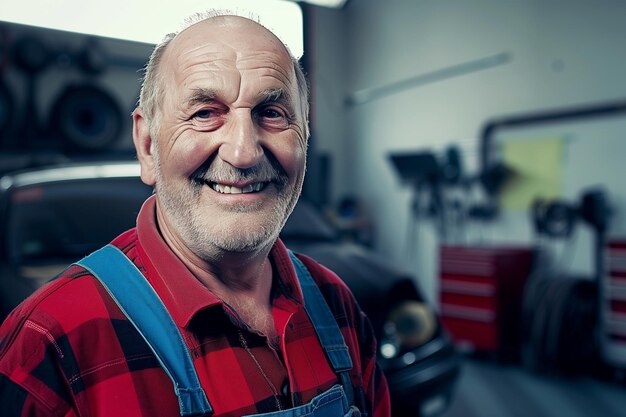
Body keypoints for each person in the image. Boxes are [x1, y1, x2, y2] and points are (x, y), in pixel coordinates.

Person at [0, 11, 391, 417]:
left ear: (304, 140)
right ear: (148, 146)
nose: (243, 152)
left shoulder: (336, 304)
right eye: (205, 113)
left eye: (272, 113)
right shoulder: (52, 339)